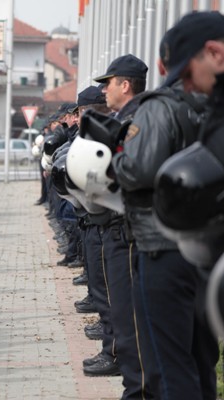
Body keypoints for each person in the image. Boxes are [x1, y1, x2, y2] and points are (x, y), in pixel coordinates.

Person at [125, 12, 224, 399]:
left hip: (165, 245)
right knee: (199, 358)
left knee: (169, 367)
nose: (184, 85)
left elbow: (138, 169)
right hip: (201, 253)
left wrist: (118, 160)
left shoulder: (161, 106)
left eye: (186, 73)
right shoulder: (208, 105)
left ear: (213, 53)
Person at [78, 54, 148, 394]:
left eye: (109, 82)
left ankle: (135, 385)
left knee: (128, 316)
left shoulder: (139, 121)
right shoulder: (126, 119)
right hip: (116, 224)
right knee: (121, 310)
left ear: (125, 84)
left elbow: (132, 173)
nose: (104, 89)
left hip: (129, 228)